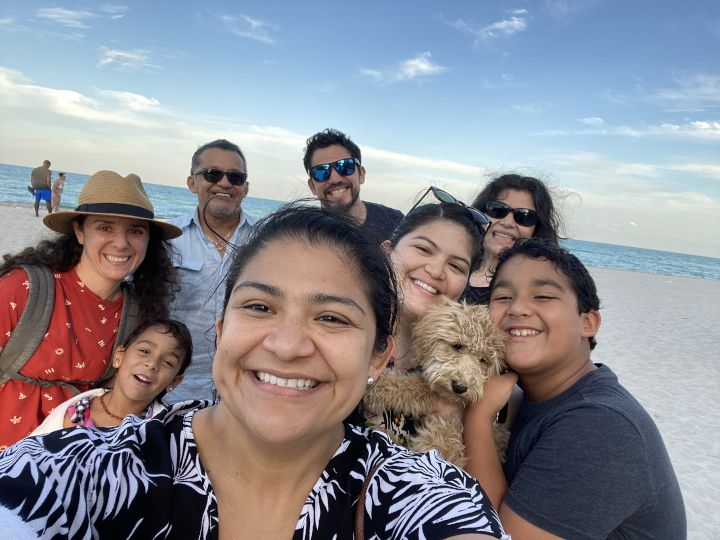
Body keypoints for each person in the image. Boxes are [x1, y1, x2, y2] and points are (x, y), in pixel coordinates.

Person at [0, 204, 509, 539]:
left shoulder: (419, 492)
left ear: (379, 357)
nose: (286, 346)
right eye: (260, 307)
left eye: (332, 318)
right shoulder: (81, 467)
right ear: (221, 330)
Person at [463, 238, 686, 539]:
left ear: (588, 322)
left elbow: (501, 535)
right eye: (503, 297)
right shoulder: (533, 397)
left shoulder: (600, 426)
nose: (517, 308)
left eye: (543, 296)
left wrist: (478, 417)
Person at [0, 170, 181, 449]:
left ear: (148, 241)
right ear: (79, 231)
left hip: (75, 465)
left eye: (135, 230)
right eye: (105, 228)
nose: (121, 243)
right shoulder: (22, 288)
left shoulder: (138, 315)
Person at [369, 187, 490, 441]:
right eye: (424, 249)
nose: (435, 271)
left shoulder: (461, 366)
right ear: (387, 251)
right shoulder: (343, 332)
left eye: (456, 266)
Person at [167, 139, 256, 403]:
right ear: (192, 182)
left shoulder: (267, 240)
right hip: (176, 386)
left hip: (246, 386)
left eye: (235, 177)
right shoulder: (167, 239)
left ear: (246, 188)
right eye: (212, 174)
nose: (225, 183)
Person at [32, 319, 192, 434]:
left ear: (174, 382)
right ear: (118, 357)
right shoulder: (74, 412)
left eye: (167, 362)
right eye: (144, 351)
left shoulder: (165, 433)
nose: (152, 364)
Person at [461, 174, 562, 305]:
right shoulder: (453, 268)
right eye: (498, 209)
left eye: (524, 216)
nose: (507, 223)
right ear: (480, 213)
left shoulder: (538, 291)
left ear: (537, 229)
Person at [304, 128, 404, 242]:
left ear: (361, 174)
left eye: (345, 166)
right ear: (312, 186)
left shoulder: (396, 223)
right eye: (321, 171)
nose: (335, 179)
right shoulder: (301, 236)